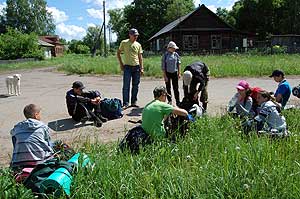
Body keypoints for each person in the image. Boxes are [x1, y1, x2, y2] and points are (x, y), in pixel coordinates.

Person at [10, 104, 54, 170]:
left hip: (19, 162)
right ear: (36, 115)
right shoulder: (42, 126)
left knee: (15, 138)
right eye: (39, 114)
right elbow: (48, 144)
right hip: (40, 161)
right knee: (53, 145)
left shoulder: (17, 127)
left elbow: (13, 136)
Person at [117, 28, 143, 108]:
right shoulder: (124, 43)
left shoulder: (138, 44)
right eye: (134, 35)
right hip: (127, 67)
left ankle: (133, 102)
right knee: (126, 85)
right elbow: (118, 53)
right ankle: (125, 103)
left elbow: (140, 57)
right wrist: (121, 64)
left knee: (136, 85)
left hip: (136, 67)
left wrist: (142, 68)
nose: (136, 37)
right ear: (130, 35)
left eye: (137, 35)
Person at [161, 41, 181, 105]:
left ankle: (178, 101)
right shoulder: (165, 55)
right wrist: (165, 76)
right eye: (173, 48)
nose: (174, 49)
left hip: (175, 73)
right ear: (169, 48)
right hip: (167, 73)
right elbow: (163, 66)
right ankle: (169, 101)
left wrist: (179, 73)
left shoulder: (176, 54)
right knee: (168, 88)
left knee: (176, 88)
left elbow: (178, 64)